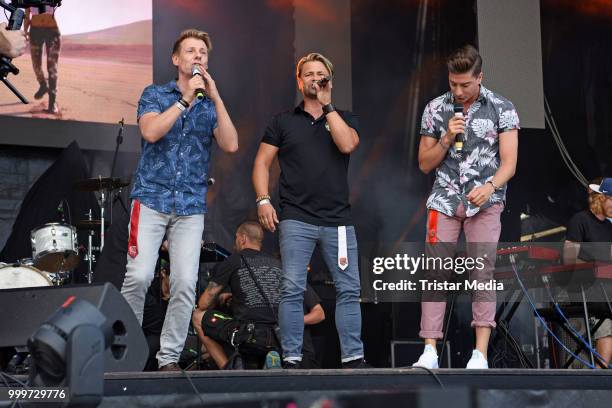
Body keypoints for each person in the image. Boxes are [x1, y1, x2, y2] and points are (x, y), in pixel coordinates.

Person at [120, 29, 238, 371]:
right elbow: (151, 131)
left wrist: (215, 98)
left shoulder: (209, 104)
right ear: (176, 59)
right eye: (191, 51)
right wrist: (185, 100)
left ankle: (168, 358)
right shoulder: (156, 94)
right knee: (140, 276)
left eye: (203, 51)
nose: (198, 56)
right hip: (152, 199)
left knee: (186, 282)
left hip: (189, 208)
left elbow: (230, 144)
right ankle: (125, 354)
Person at [252, 52, 367, 369]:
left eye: (321, 74)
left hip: (338, 220)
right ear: (299, 80)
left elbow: (347, 145)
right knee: (292, 288)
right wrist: (263, 199)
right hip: (296, 218)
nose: (315, 78)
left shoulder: (344, 117)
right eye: (309, 74)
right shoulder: (283, 121)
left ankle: (353, 358)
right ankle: (291, 358)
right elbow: (261, 163)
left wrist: (328, 106)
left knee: (348, 289)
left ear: (329, 80)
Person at [413, 45, 519, 369]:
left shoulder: (503, 108)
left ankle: (480, 353)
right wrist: (446, 139)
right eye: (452, 84)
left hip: (485, 202)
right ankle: (430, 349)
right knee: (435, 273)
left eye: (465, 85)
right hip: (444, 199)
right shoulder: (435, 108)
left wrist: (489, 188)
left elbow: (510, 163)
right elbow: (423, 164)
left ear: (480, 77)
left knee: (481, 272)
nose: (457, 91)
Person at [191, 221, 325, 369]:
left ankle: (229, 369)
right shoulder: (281, 265)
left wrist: (220, 298)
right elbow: (319, 313)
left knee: (198, 315)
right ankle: (274, 359)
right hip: (284, 336)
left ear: (242, 238)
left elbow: (204, 303)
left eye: (236, 238)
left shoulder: (233, 260)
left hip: (251, 335)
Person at [564, 177, 612, 367]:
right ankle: (599, 380)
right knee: (605, 329)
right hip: (588, 291)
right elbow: (569, 258)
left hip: (607, 291)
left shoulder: (610, 227)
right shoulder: (580, 220)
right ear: (601, 198)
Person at [24, 6, 61, 113]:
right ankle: (43, 85)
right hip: (35, 31)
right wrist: (25, 31)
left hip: (52, 32)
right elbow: (27, 16)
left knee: (52, 68)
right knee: (36, 64)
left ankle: (52, 103)